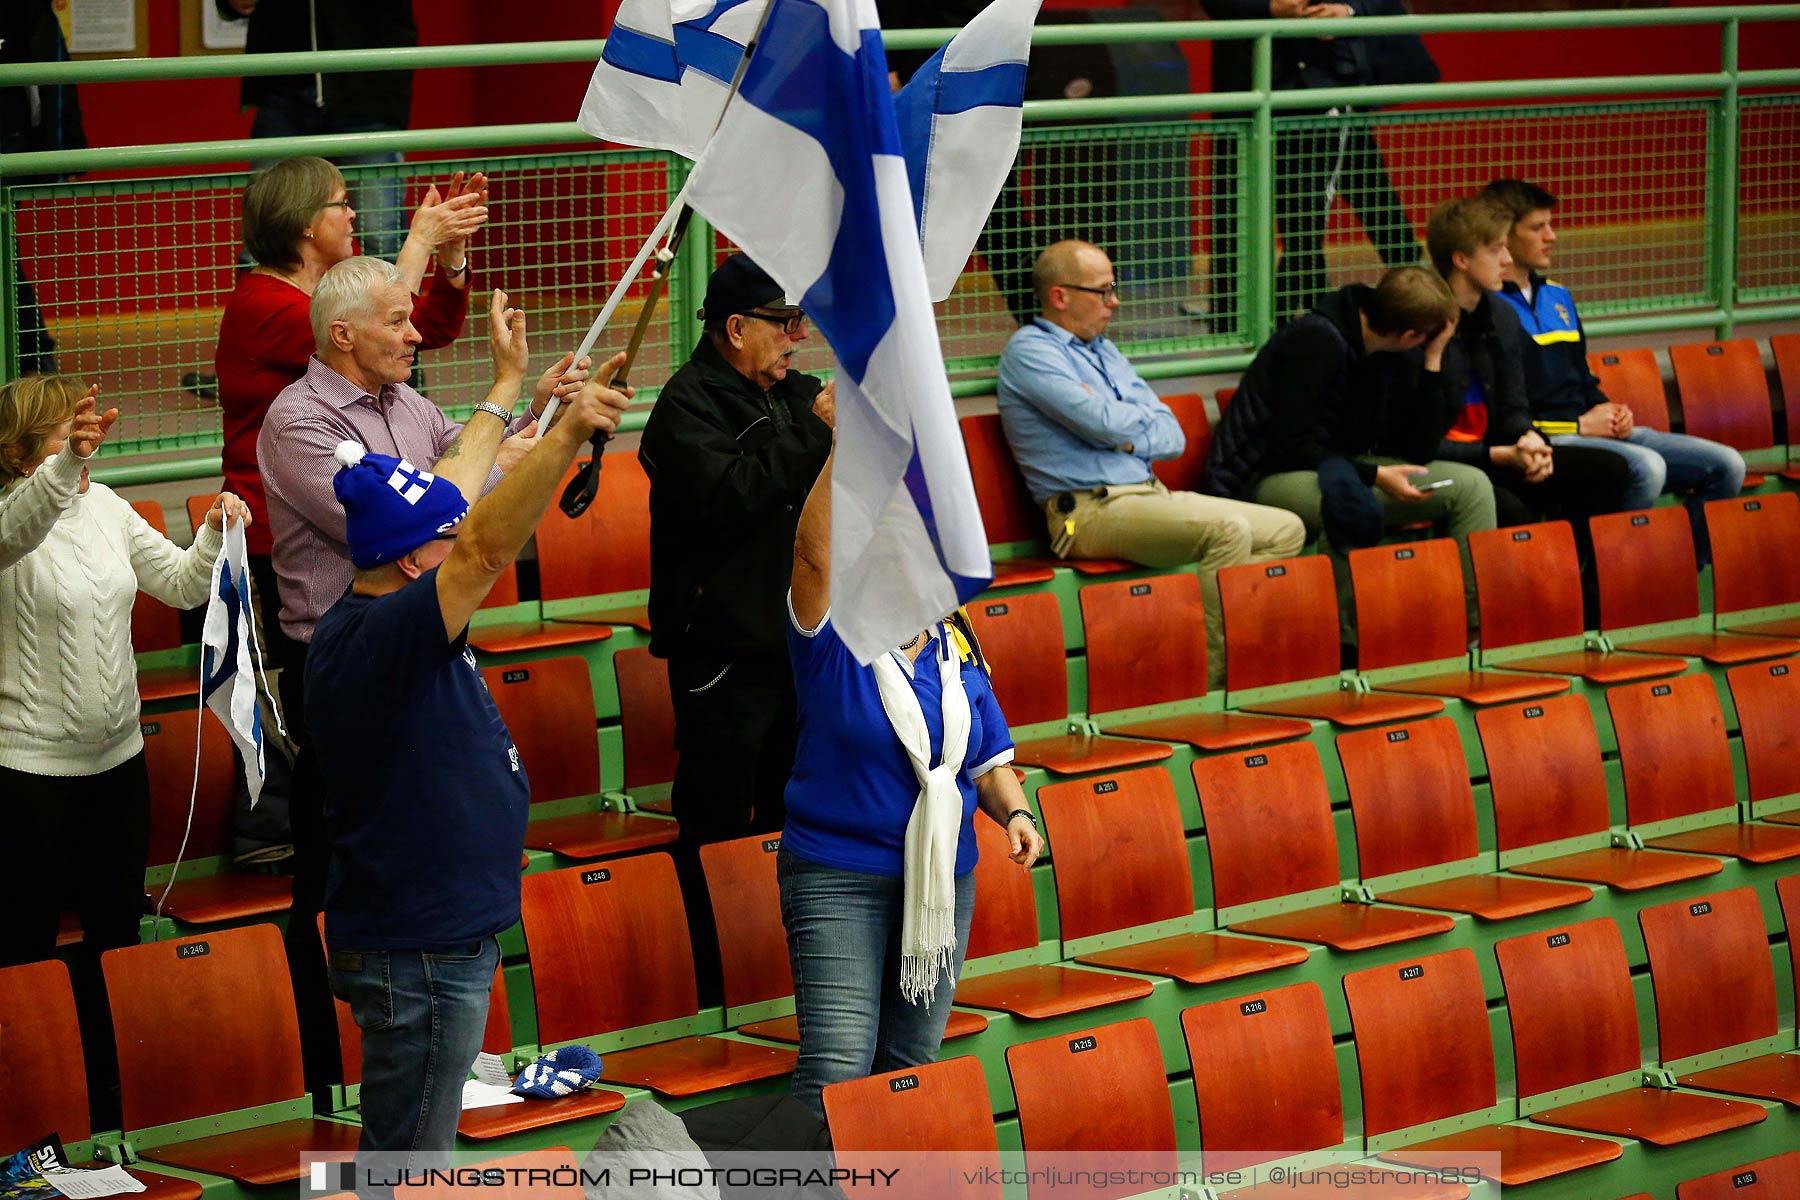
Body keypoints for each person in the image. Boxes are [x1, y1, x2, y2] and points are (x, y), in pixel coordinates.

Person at [307, 292, 630, 1182]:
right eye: (444, 542)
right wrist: (563, 439)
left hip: (432, 937)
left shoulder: (391, 614)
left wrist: (514, 391)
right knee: (407, 1167)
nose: (461, 549)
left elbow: (460, 504)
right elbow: (485, 545)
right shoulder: (386, 637)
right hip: (419, 949)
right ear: (414, 564)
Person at [258, 256, 590, 1090]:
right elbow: (456, 522)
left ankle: (411, 1063)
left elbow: (475, 480)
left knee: (409, 1113)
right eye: (398, 322)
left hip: (418, 649)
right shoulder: (295, 422)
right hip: (350, 664)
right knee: (341, 876)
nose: (417, 333)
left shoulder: (409, 404)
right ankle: (329, 1072)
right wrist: (547, 428)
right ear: (342, 334)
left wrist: (535, 401)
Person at [0, 374, 250, 1123]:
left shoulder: (105, 506)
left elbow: (177, 585)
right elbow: (22, 526)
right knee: (22, 944)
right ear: (20, 455)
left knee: (116, 932)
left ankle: (110, 1096)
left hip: (116, 764)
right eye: (65, 435)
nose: (86, 448)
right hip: (27, 772)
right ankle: (28, 1098)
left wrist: (213, 531)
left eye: (85, 436)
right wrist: (63, 468)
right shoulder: (9, 515)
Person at [782, 444, 1042, 1121]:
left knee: (910, 1065)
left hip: (942, 882)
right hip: (839, 876)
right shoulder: (833, 639)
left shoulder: (959, 651)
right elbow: (811, 558)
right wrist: (842, 447)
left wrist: (1016, 814)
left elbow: (988, 763)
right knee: (837, 1067)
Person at [638, 253, 834, 1003]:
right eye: (784, 324)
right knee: (717, 824)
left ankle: (780, 973)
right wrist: (818, 435)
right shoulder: (684, 406)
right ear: (735, 328)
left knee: (798, 816)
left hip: (798, 646)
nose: (798, 338)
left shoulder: (796, 392)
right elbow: (733, 495)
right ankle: (707, 980)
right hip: (722, 655)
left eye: (799, 323)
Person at [995, 240, 1307, 685]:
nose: (1115, 301)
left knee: (1287, 528)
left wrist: (1120, 430)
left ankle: (1233, 644)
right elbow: (1102, 422)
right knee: (1228, 531)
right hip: (1087, 512)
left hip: (1149, 496)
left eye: (1113, 288)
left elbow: (1171, 435)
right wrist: (1124, 424)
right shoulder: (1030, 352)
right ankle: (1217, 676)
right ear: (1060, 296)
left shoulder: (1104, 351)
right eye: (1102, 291)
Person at [216, 156, 485, 641]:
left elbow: (428, 327)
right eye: (342, 203)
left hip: (371, 502)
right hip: (300, 526)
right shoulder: (262, 304)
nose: (353, 214)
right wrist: (418, 240)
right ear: (305, 223)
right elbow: (373, 330)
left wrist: (449, 257)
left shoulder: (327, 296)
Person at [1204, 265, 1494, 629]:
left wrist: (1433, 361)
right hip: (1270, 474)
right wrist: (1375, 475)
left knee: (1472, 488)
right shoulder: (1315, 341)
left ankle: (1472, 630)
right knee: (1350, 504)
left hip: (1349, 464)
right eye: (1429, 340)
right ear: (1408, 334)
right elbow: (1292, 446)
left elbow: (1418, 448)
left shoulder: (1396, 351)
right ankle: (1345, 642)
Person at [1482, 177, 1744, 561]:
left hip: (1591, 430)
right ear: (1503, 235)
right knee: (1648, 468)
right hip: (1549, 440)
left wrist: (1612, 412)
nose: (1551, 236)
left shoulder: (1558, 295)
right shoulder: (1487, 309)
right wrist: (1578, 427)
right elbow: (1508, 412)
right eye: (1538, 228)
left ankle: (1678, 571)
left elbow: (1582, 379)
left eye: (1550, 225)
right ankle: (1609, 581)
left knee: (1727, 465)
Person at [1198, 0, 1437, 326]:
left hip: (1334, 95)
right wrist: (1270, 8)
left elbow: (1381, 3)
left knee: (1362, 215)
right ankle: (1289, 324)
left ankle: (1427, 310)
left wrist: (1348, 11)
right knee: (1289, 224)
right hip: (1254, 94)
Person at [1425, 196, 1632, 551]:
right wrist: (1504, 454)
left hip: (1500, 452)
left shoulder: (1502, 317)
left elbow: (1514, 404)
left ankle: (1581, 585)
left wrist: (1529, 439)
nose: (1507, 260)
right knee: (1512, 508)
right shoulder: (1423, 323)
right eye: (1496, 250)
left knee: (1610, 470)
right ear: (1460, 260)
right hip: (1445, 462)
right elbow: (1419, 440)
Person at [217, 0, 420, 259]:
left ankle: (391, 300)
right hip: (282, 85)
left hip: (368, 92)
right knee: (266, 229)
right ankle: (263, 299)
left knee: (380, 234)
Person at [0, 0, 85, 373]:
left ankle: (34, 350)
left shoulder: (24, 9)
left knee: (3, 251)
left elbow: (52, 71)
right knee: (4, 252)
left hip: (9, 137)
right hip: (13, 135)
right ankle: (34, 349)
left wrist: (63, 144)